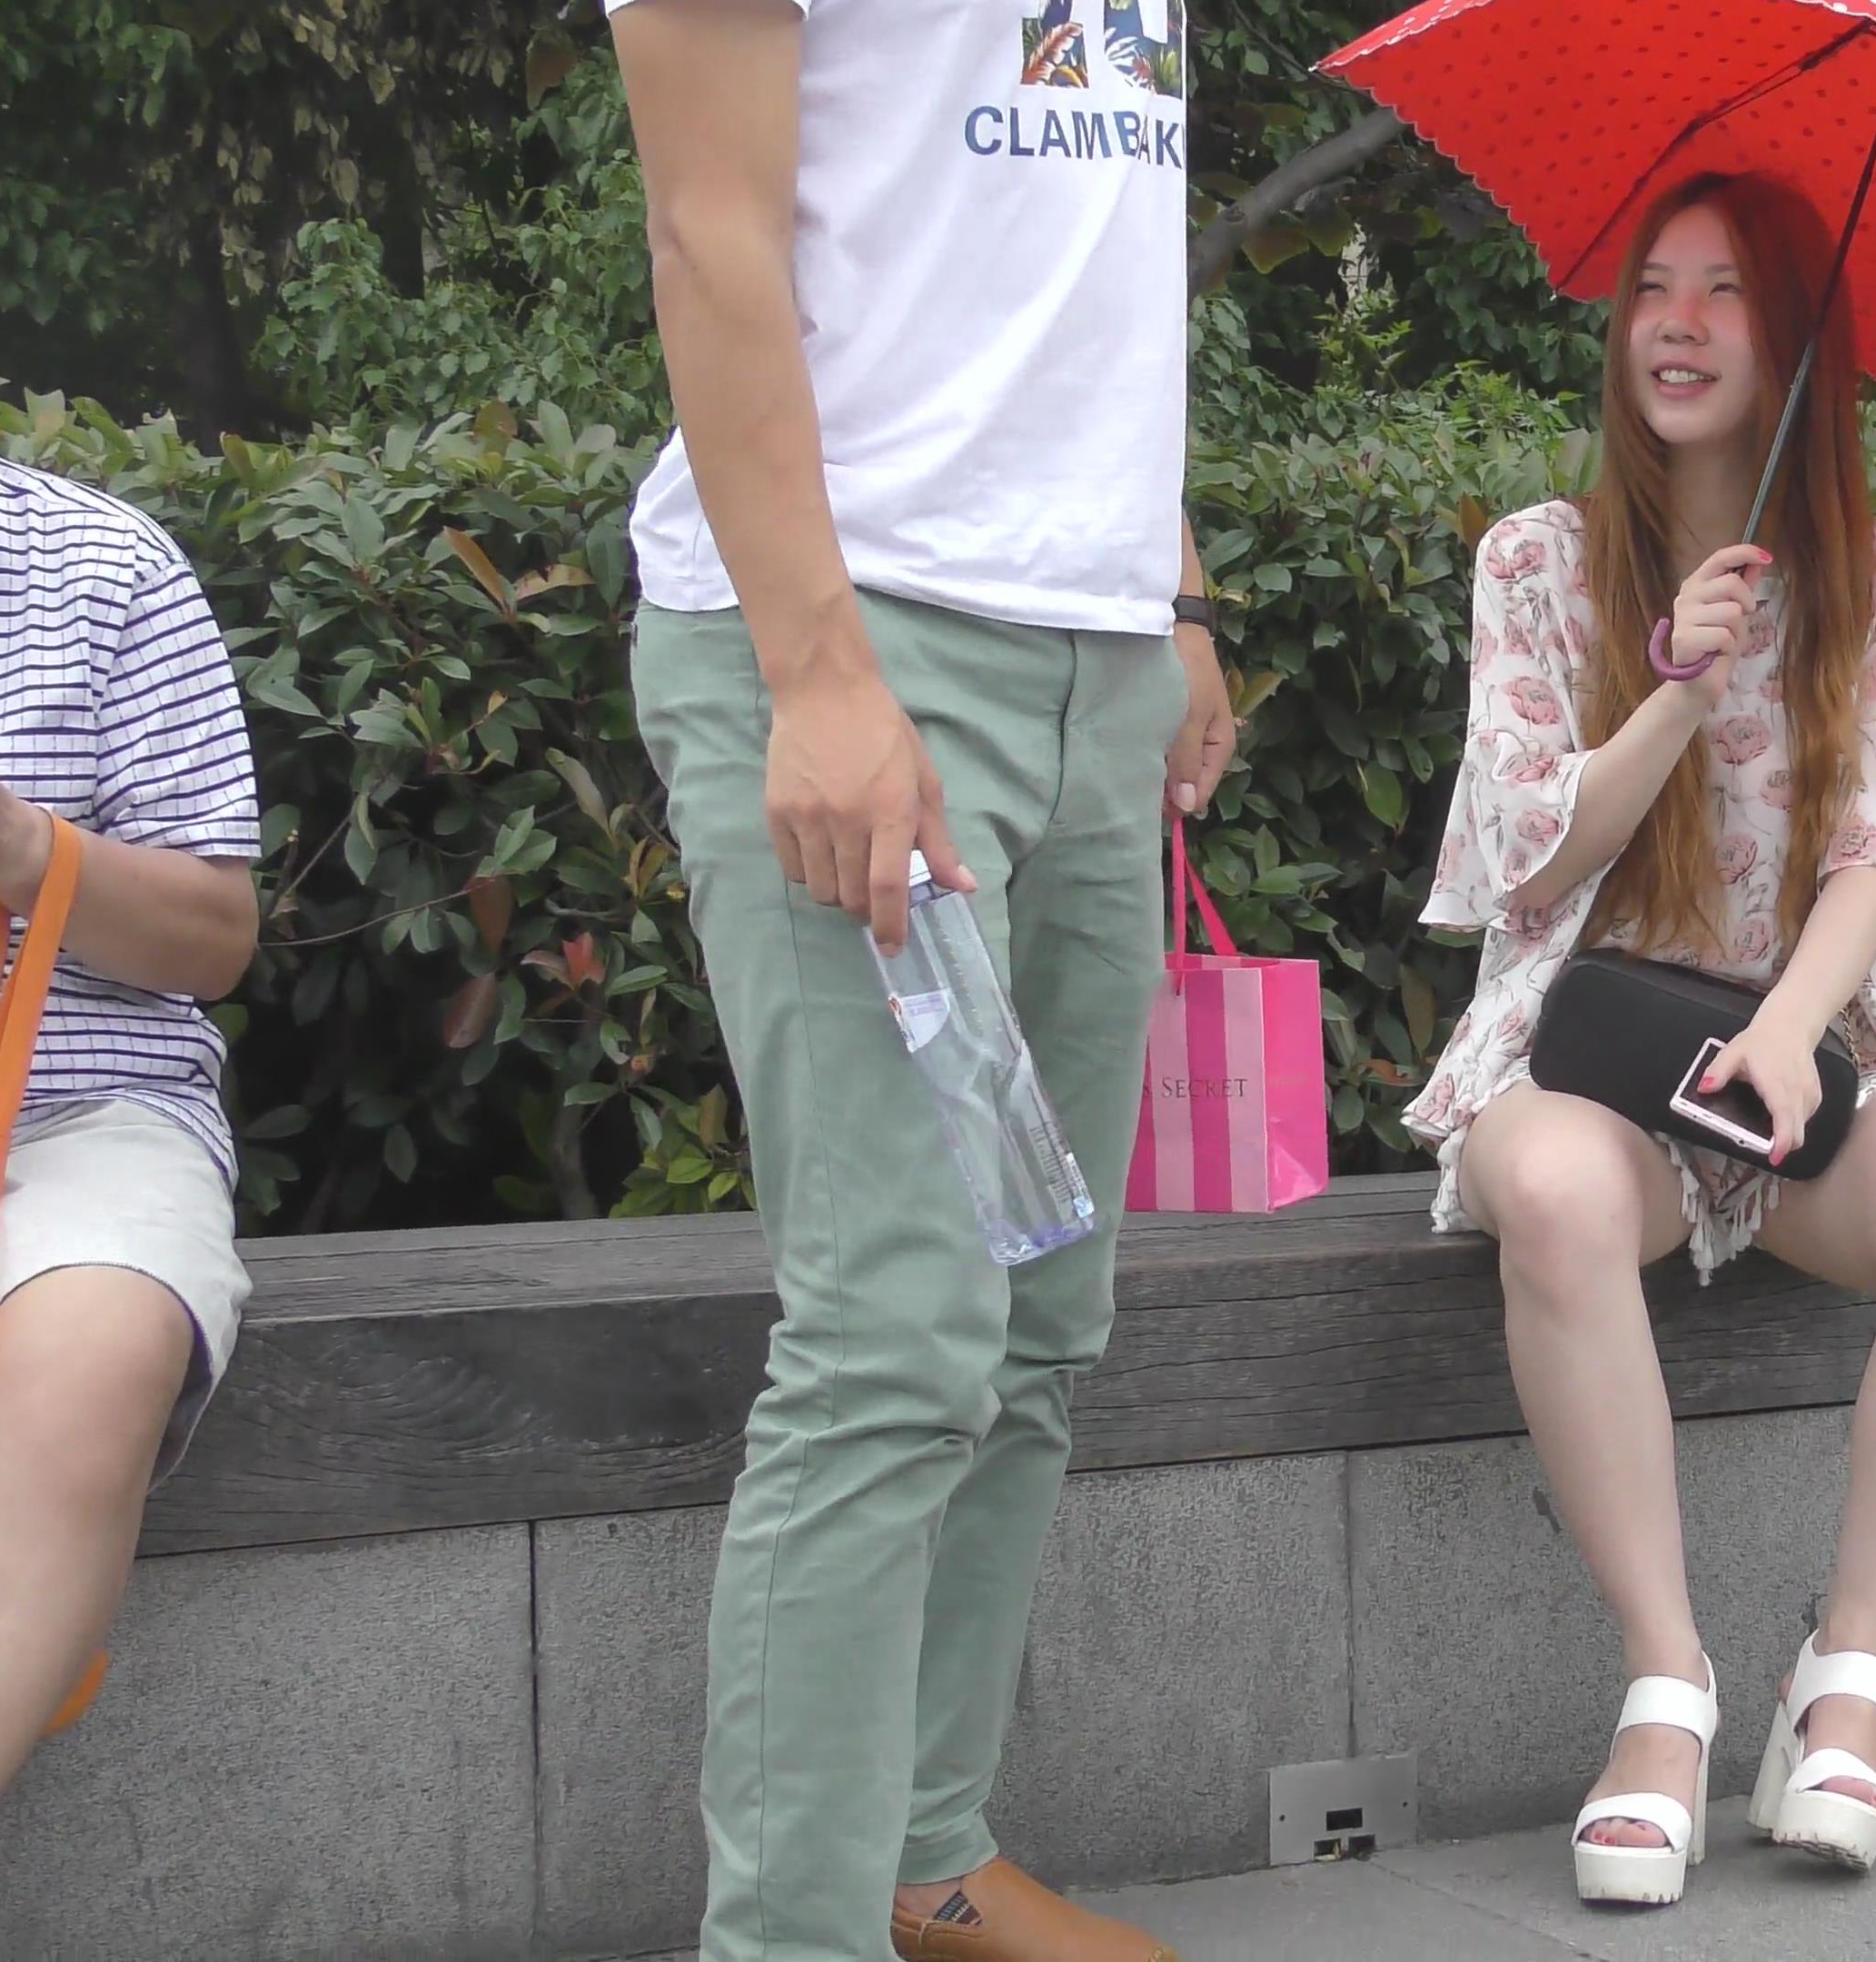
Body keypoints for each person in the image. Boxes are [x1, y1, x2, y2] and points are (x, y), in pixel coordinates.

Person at [607, 2, 1231, 1957]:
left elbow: (1071, 247)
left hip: (1089, 656)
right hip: (861, 635)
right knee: (892, 1338)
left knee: (1038, 1317)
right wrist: (815, 678)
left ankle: (927, 1862)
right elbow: (708, 224)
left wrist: (1165, 585)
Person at [1406, 173, 1876, 1908]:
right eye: (1653, 290)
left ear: (1799, 342)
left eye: (1728, 293)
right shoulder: (1537, 561)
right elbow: (1531, 860)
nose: (1676, 327)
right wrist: (1675, 685)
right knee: (1547, 1189)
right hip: (1591, 1065)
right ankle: (1666, 1688)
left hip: (1802, 1047)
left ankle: (1846, 1678)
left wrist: (1782, 1035)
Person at [0, 441, 261, 1860]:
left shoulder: (99, 566)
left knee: (99, 1345)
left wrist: (15, 842)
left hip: (80, 1115)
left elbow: (213, 938)